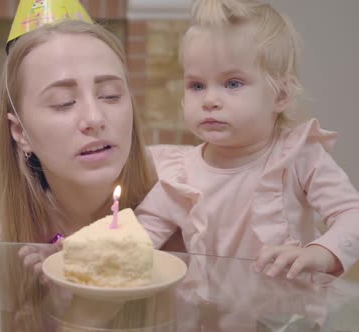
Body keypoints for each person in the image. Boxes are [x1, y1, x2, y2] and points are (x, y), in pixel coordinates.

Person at [136, 0, 359, 281]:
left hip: (288, 317)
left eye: (232, 83)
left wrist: (321, 252)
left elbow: (352, 213)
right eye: (197, 85)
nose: (210, 100)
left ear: (281, 95)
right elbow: (143, 234)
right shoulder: (180, 175)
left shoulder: (299, 157)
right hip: (208, 318)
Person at [0, 6, 158, 330]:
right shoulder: (7, 254)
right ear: (20, 133)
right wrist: (81, 316)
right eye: (63, 102)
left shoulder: (178, 218)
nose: (94, 118)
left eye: (110, 95)